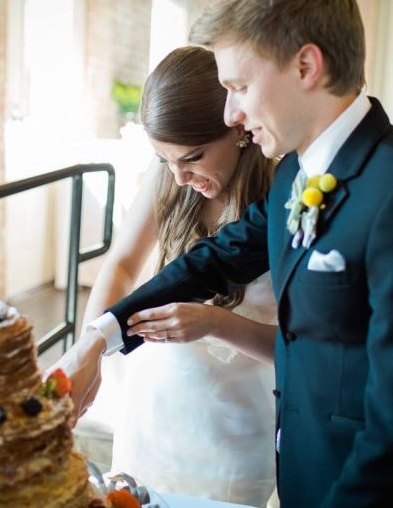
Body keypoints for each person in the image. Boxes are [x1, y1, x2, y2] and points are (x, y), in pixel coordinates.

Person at [63, 0, 393, 505]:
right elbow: (209, 263)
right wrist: (98, 339)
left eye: (238, 87)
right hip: (297, 470)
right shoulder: (293, 177)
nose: (231, 114)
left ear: (305, 67)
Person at [51, 46, 278, 506]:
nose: (178, 177)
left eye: (192, 157)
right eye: (164, 160)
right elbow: (121, 264)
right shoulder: (172, 178)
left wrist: (216, 322)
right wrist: (91, 353)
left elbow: (303, 348)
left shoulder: (282, 195)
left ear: (237, 127)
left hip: (235, 428)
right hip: (152, 408)